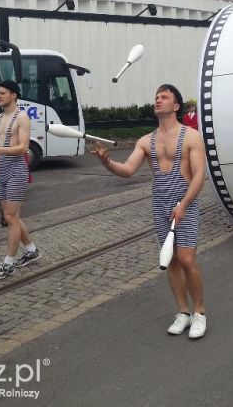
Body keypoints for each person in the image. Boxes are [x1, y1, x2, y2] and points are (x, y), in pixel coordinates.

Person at [93, 84, 208, 338]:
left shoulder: (191, 136)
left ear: (176, 106)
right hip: (161, 203)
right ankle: (183, 313)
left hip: (184, 200)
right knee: (172, 261)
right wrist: (107, 162)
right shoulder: (146, 140)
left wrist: (184, 205)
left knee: (187, 259)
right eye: (156, 97)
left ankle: (199, 312)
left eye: (164, 97)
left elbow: (200, 176)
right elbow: (127, 170)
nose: (158, 100)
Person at [0, 81, 40, 279]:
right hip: (2, 169)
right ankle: (31, 250)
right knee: (12, 216)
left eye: (3, 93)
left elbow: (23, 147)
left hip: (17, 169)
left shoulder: (22, 117)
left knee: (10, 217)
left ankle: (8, 263)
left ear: (13, 95)